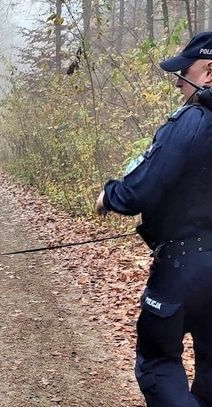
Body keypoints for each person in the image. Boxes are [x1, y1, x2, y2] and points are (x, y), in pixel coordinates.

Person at [96, 31, 212, 406]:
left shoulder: (193, 120)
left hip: (183, 266)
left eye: (184, 73)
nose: (179, 83)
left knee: (158, 363)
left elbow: (139, 189)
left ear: (208, 72)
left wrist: (109, 196)